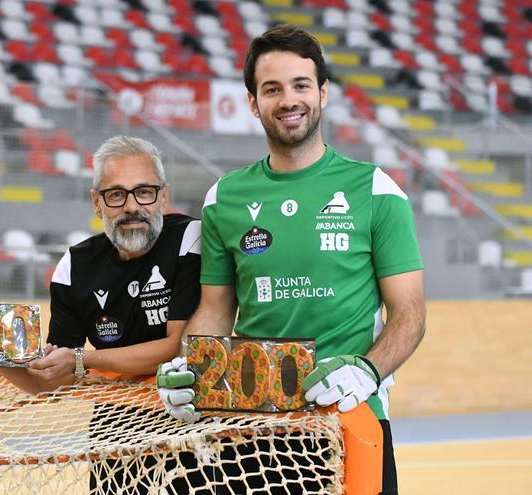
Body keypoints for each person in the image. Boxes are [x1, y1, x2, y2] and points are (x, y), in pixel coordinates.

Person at [157, 24, 426, 495]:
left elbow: (410, 315)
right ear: (252, 102)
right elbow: (217, 309)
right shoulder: (224, 198)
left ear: (323, 93)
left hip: (350, 420)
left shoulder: (376, 190)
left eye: (301, 85)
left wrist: (366, 371)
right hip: (253, 428)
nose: (288, 100)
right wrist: (192, 364)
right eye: (272, 89)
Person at [0, 135, 202, 492]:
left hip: (190, 420)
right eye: (116, 195)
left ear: (163, 196)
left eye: (144, 192)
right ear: (97, 203)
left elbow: (176, 348)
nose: (132, 206)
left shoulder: (190, 239)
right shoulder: (75, 265)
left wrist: (82, 359)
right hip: (116, 427)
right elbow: (52, 378)